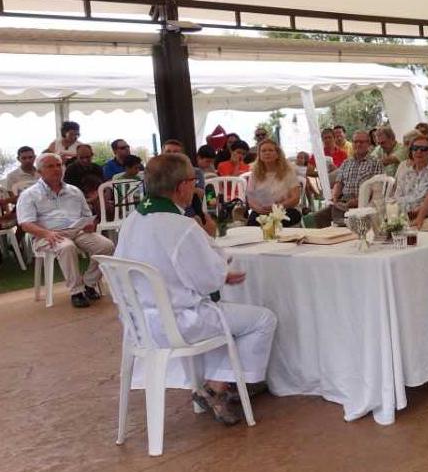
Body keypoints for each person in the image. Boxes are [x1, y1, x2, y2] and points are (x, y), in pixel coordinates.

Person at [114, 152, 276, 425]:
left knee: (221, 316)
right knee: (261, 319)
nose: (196, 186)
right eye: (193, 180)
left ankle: (217, 383)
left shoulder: (131, 221)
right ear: (181, 187)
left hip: (138, 324)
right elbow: (208, 281)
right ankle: (218, 386)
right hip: (178, 324)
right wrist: (221, 272)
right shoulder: (180, 226)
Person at [16, 153, 114, 308]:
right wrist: (47, 233)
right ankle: (76, 291)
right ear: (40, 171)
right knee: (67, 246)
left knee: (106, 246)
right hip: (47, 235)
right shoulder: (29, 194)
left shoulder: (74, 191)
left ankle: (89, 283)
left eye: (58, 165)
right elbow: (25, 224)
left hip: (78, 231)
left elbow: (87, 215)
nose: (56, 169)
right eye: (50, 166)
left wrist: (90, 224)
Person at [315, 130, 382, 226]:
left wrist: (358, 201)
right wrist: (334, 197)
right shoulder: (347, 162)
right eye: (356, 142)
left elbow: (377, 189)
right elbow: (339, 183)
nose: (358, 144)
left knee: (334, 216)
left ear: (368, 144)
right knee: (315, 218)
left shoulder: (375, 163)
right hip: (343, 202)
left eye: (362, 142)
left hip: (363, 202)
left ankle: (339, 231)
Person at [245, 140, 302, 226]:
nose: (267, 153)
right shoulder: (255, 174)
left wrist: (276, 207)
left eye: (270, 150)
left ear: (277, 154)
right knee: (251, 224)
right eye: (263, 151)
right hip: (262, 210)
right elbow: (251, 199)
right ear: (259, 155)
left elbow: (295, 198)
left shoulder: (288, 172)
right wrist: (258, 208)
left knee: (276, 222)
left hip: (285, 209)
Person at [395, 130, 428, 219]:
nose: (419, 152)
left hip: (425, 215)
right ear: (411, 151)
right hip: (403, 216)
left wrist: (419, 211)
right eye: (415, 148)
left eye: (423, 149)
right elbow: (397, 197)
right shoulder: (406, 173)